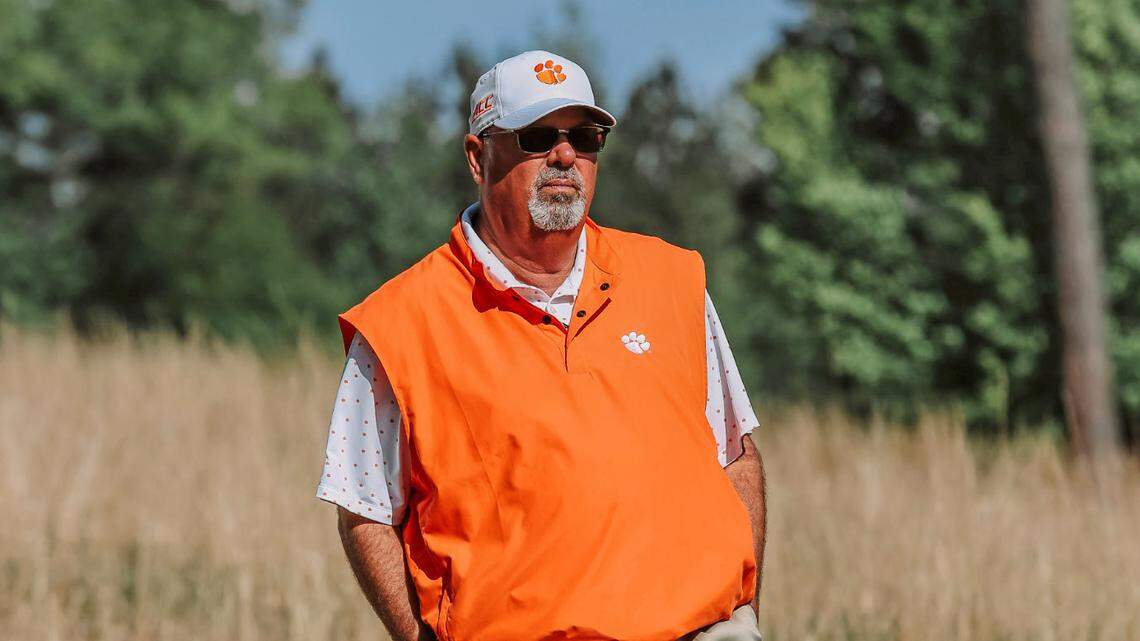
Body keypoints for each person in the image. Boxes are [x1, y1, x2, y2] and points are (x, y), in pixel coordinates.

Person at [315, 50, 767, 641]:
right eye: (536, 137)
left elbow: (736, 458)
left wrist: (745, 617)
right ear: (478, 158)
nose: (564, 156)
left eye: (585, 135)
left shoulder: (673, 278)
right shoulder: (401, 323)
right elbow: (365, 511)